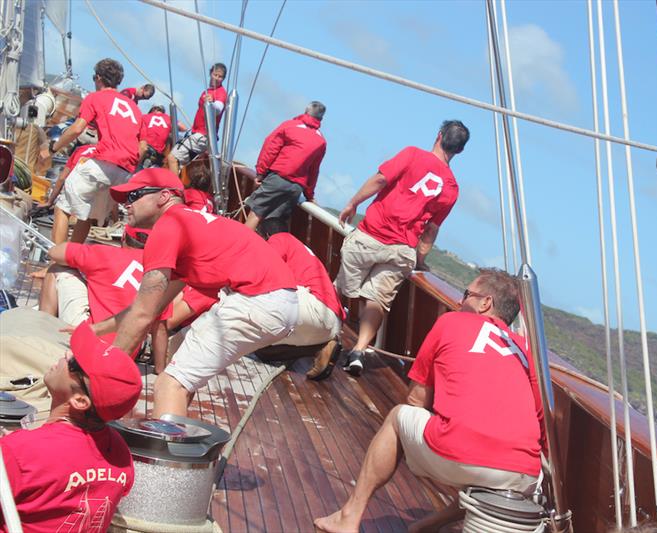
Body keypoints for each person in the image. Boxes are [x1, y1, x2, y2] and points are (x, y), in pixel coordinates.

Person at [314, 269, 546, 533]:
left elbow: (416, 398)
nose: (461, 301)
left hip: (464, 453)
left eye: (467, 294)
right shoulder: (526, 352)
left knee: (399, 417)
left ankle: (348, 517)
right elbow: (540, 422)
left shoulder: (451, 322)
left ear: (486, 303)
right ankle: (425, 526)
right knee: (484, 475)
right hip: (521, 475)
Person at [94, 168, 297, 418]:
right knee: (180, 360)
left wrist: (101, 372)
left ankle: (165, 454)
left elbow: (143, 315)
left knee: (170, 383)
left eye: (134, 195)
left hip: (257, 300)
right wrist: (94, 330)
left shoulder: (168, 227)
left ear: (164, 197)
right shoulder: (191, 224)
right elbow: (150, 309)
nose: (127, 205)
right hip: (280, 303)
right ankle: (174, 431)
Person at [335, 120, 469, 376]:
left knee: (342, 288)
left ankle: (327, 333)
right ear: (459, 151)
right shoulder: (451, 188)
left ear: (439, 136)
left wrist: (353, 203)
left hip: (371, 235)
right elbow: (431, 229)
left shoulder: (412, 155)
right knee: (377, 301)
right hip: (401, 250)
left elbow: (380, 180)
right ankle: (359, 351)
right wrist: (419, 258)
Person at [0, 321, 141, 533]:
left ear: (79, 400)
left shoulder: (19, 450)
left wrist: (12, 448)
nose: (65, 356)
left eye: (74, 362)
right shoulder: (120, 452)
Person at [39, 58, 142, 244]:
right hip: (126, 173)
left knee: (63, 207)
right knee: (86, 215)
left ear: (99, 78)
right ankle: (71, 261)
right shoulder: (134, 107)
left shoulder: (95, 97)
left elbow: (77, 129)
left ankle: (56, 262)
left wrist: (52, 149)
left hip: (105, 162)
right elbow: (141, 147)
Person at [268, 232, 345, 380]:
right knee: (260, 346)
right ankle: (320, 346)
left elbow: (264, 273)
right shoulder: (298, 248)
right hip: (332, 322)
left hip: (314, 307)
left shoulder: (278, 239)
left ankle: (316, 347)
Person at [244, 101, 327, 236]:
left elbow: (270, 149)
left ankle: (240, 248)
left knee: (256, 214)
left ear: (306, 111)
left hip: (278, 179)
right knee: (274, 222)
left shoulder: (289, 126)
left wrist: (260, 173)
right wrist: (309, 195)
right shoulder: (321, 141)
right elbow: (313, 170)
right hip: (296, 188)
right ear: (321, 119)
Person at [166, 64, 227, 175]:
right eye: (215, 75)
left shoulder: (220, 92)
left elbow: (219, 108)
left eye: (220, 76)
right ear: (210, 74)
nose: (217, 78)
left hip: (201, 136)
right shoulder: (208, 91)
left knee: (172, 158)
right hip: (197, 134)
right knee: (178, 164)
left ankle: (173, 189)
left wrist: (212, 104)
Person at [41, 143, 97, 245]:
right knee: (85, 216)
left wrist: (50, 201)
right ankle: (73, 252)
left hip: (78, 183)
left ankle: (59, 251)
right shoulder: (108, 152)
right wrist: (115, 220)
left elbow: (62, 178)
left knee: (62, 208)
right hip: (99, 185)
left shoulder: (82, 150)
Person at [138, 105, 171, 170]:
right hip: (157, 156)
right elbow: (183, 128)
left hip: (145, 150)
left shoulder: (144, 117)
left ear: (152, 110)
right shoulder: (169, 118)